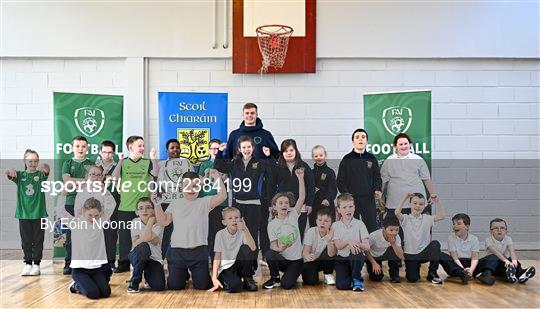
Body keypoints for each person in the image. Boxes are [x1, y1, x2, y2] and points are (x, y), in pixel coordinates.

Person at [154, 170, 227, 290]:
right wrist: (157, 204)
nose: (191, 189)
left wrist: (217, 177)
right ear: (181, 187)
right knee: (174, 286)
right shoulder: (175, 203)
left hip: (199, 252)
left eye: (195, 186)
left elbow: (222, 196)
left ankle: (191, 273)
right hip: (177, 252)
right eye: (187, 186)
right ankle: (182, 273)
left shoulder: (204, 202)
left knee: (203, 286)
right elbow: (164, 222)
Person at [215, 136, 272, 275]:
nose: (246, 149)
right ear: (239, 149)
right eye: (244, 147)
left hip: (254, 205)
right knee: (237, 234)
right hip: (238, 204)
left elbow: (273, 169)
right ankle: (236, 265)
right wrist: (220, 153)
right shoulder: (234, 163)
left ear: (253, 148)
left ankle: (251, 268)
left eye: (249, 146)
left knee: (251, 235)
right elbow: (218, 166)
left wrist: (269, 156)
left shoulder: (260, 162)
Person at [112, 136, 158, 273]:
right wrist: (120, 161)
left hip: (143, 209)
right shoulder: (124, 162)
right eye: (139, 145)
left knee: (144, 236)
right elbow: (114, 178)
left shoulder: (147, 162)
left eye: (143, 145)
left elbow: (156, 173)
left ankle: (142, 262)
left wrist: (153, 157)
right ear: (130, 147)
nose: (142, 148)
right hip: (125, 207)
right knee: (125, 237)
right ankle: (124, 263)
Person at [381, 133, 438, 234]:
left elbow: (426, 179)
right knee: (395, 233)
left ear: (410, 144)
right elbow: (383, 181)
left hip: (416, 204)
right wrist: (380, 197)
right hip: (394, 203)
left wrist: (433, 194)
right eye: (400, 144)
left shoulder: (418, 159)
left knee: (417, 233)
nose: (403, 146)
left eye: (405, 143)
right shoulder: (389, 161)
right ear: (395, 146)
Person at [5, 149, 49, 276]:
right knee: (26, 240)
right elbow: (8, 173)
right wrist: (9, 169)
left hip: (39, 214)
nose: (33, 163)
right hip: (24, 214)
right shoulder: (20, 175)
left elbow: (47, 170)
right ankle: (28, 263)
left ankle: (36, 264)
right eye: (30, 161)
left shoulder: (40, 175)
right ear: (25, 161)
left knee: (38, 240)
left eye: (35, 161)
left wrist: (46, 168)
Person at [263, 168, 306, 290]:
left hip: (296, 261)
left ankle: (293, 274)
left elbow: (301, 198)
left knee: (286, 285)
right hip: (283, 260)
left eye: (286, 203)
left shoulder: (293, 214)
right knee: (269, 254)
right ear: (274, 207)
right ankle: (275, 277)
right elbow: (272, 246)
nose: (284, 205)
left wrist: (300, 178)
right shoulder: (271, 224)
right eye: (280, 203)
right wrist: (280, 248)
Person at [268, 139, 315, 241]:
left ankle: (297, 256)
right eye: (285, 151)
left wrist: (309, 203)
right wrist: (270, 204)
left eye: (291, 150)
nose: (289, 153)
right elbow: (270, 186)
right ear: (282, 153)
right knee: (282, 234)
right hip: (282, 206)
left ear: (296, 151)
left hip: (300, 207)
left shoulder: (303, 166)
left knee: (298, 234)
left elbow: (311, 186)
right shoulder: (277, 167)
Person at [67, 197, 114, 300]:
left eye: (96, 215)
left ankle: (88, 283)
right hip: (80, 270)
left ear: (100, 214)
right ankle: (75, 285)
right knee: (93, 294)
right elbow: (61, 211)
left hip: (96, 269)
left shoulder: (100, 222)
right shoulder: (75, 223)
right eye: (90, 215)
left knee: (106, 292)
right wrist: (62, 195)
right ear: (84, 211)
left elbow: (112, 205)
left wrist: (105, 191)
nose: (93, 218)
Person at [337, 129, 382, 233]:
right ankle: (353, 249)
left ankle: (370, 249)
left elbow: (377, 178)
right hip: (351, 201)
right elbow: (340, 180)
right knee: (351, 228)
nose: (360, 139)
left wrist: (377, 189)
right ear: (353, 142)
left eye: (363, 137)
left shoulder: (371, 158)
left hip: (368, 199)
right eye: (357, 137)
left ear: (366, 141)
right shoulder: (346, 159)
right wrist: (346, 195)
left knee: (372, 228)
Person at [395, 193, 445, 284]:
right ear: (410, 204)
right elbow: (397, 212)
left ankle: (432, 273)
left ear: (424, 206)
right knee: (412, 278)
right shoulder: (405, 219)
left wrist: (438, 201)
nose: (418, 206)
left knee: (435, 244)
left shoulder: (427, 218)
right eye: (415, 203)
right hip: (410, 254)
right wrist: (405, 197)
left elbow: (441, 216)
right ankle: (414, 269)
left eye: (421, 204)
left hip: (423, 253)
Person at [157, 138, 194, 258]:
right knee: (167, 233)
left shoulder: (187, 163)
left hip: (184, 203)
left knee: (183, 232)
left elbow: (193, 182)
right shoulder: (161, 164)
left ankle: (183, 260)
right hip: (167, 202)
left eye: (177, 147)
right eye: (172, 148)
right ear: (167, 151)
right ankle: (163, 260)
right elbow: (159, 184)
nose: (175, 150)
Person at [62, 136, 93, 275]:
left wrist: (78, 181)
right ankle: (69, 263)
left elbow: (92, 181)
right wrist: (84, 181)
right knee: (70, 235)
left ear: (87, 148)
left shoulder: (91, 163)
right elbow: (67, 182)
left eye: (83, 146)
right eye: (77, 146)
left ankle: (85, 262)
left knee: (86, 234)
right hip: (70, 202)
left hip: (87, 203)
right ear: (72, 148)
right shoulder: (67, 163)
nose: (80, 149)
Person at [208, 207, 258, 293]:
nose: (234, 220)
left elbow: (253, 248)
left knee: (246, 248)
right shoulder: (220, 234)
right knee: (234, 287)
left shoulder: (242, 232)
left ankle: (248, 279)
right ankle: (227, 279)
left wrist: (245, 228)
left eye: (236, 217)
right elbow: (217, 255)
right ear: (224, 222)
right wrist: (214, 277)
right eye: (230, 218)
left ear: (241, 219)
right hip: (226, 267)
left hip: (238, 264)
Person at [476, 218, 536, 284]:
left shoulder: (508, 239)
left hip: (502, 263)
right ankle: (486, 274)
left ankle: (520, 274)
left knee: (509, 261)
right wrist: (506, 260)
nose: (499, 230)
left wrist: (514, 261)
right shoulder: (488, 240)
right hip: (490, 263)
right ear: (491, 231)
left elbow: (512, 251)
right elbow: (496, 252)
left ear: (506, 231)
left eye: (502, 228)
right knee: (493, 257)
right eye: (496, 228)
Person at [332, 193, 370, 291]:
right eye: (344, 207)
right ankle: (350, 275)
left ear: (354, 208)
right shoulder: (335, 226)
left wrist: (357, 244)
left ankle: (356, 278)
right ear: (339, 210)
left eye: (350, 206)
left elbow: (367, 247)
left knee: (356, 251)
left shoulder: (360, 224)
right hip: (341, 259)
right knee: (342, 286)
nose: (348, 209)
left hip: (356, 258)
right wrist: (349, 242)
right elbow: (338, 246)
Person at [127, 197, 166, 293]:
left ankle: (148, 276)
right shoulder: (135, 222)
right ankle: (134, 283)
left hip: (153, 259)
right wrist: (149, 235)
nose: (144, 210)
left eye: (148, 207)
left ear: (153, 210)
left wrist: (150, 222)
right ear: (137, 212)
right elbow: (136, 243)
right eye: (141, 208)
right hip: (137, 255)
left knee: (159, 286)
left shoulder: (159, 223)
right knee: (144, 247)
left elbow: (153, 241)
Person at [198, 138, 228, 259]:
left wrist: (221, 176)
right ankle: (206, 259)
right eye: (213, 148)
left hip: (221, 203)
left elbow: (228, 181)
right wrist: (206, 175)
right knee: (206, 233)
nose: (215, 151)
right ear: (209, 150)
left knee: (218, 233)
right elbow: (199, 182)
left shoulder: (224, 163)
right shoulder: (204, 164)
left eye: (217, 148)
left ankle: (217, 258)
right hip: (206, 203)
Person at [97, 140, 119, 270]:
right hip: (97, 203)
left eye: (110, 152)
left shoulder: (118, 166)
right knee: (97, 233)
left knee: (111, 233)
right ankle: (99, 262)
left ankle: (110, 262)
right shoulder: (93, 165)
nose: (107, 155)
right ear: (100, 152)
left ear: (114, 153)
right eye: (104, 152)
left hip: (113, 202)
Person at [439, 213, 479, 284]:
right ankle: (462, 274)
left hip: (469, 263)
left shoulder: (474, 239)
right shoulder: (451, 238)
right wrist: (463, 269)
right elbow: (454, 257)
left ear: (467, 226)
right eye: (454, 224)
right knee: (441, 255)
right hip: (456, 265)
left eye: (458, 223)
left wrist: (471, 270)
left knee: (490, 258)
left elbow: (475, 257)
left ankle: (482, 274)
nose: (455, 226)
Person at [301, 208, 336, 285]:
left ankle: (328, 274)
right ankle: (310, 272)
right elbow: (305, 251)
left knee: (331, 251)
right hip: (311, 261)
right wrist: (308, 256)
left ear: (331, 223)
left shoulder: (333, 233)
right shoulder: (311, 231)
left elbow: (331, 254)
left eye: (326, 221)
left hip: (324, 261)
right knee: (311, 281)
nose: (322, 223)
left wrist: (329, 241)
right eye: (320, 220)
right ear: (316, 221)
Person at [365, 216, 403, 283]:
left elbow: (400, 256)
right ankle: (370, 266)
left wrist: (393, 244)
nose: (394, 233)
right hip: (372, 256)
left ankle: (394, 275)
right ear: (384, 229)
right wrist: (374, 263)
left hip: (384, 252)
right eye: (391, 230)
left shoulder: (397, 237)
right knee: (377, 278)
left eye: (397, 230)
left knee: (395, 250)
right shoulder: (374, 236)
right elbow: (365, 250)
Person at [311, 145, 337, 225]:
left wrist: (328, 199)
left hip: (326, 206)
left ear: (325, 155)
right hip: (314, 206)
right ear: (313, 157)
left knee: (328, 229)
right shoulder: (310, 173)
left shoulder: (330, 172)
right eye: (316, 156)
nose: (319, 157)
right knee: (314, 229)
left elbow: (333, 189)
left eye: (321, 155)